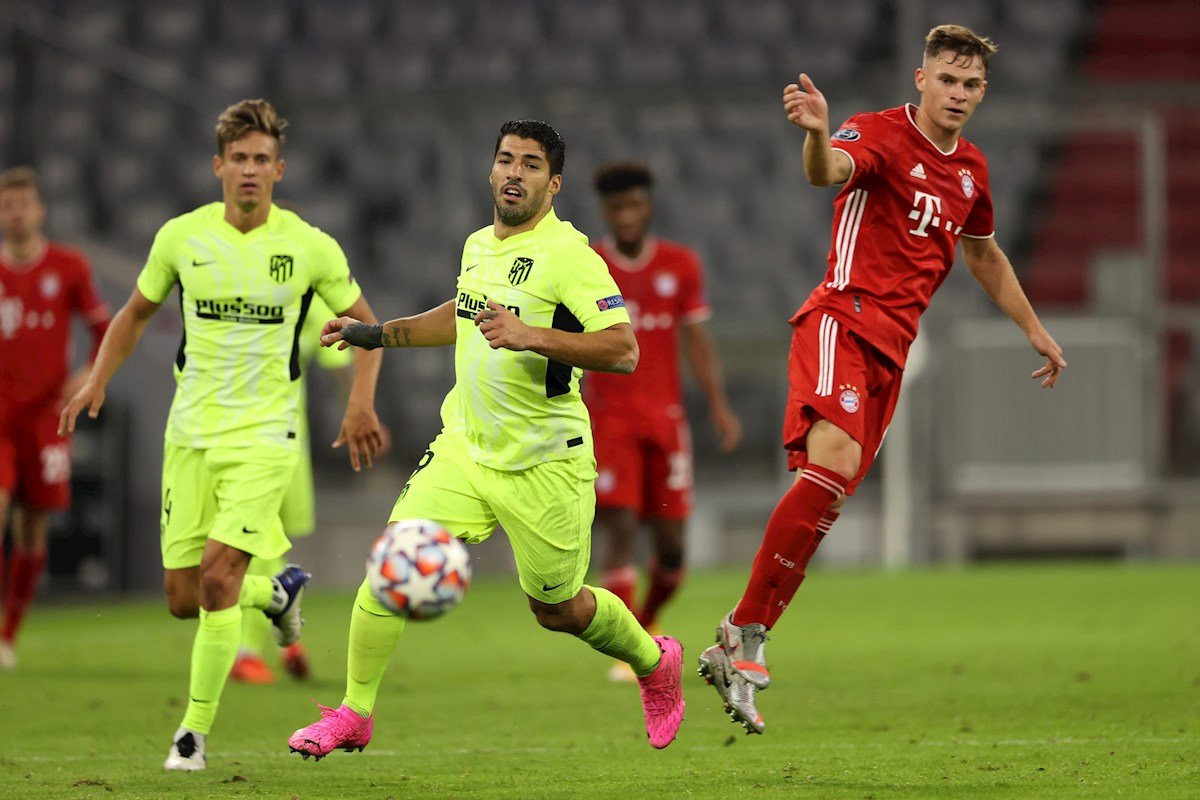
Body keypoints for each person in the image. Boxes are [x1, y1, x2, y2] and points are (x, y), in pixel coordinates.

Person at [698, 25, 1068, 735]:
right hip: (843, 318)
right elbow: (827, 170)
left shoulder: (972, 171)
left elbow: (984, 256)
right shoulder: (878, 132)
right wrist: (813, 135)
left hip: (893, 349)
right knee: (832, 465)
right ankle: (744, 633)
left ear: (981, 92)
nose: (957, 94)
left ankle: (742, 638)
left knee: (828, 495)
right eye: (946, 80)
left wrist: (1033, 327)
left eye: (970, 85)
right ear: (920, 78)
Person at [287, 119, 686, 759]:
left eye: (531, 165)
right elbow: (463, 313)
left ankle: (652, 661)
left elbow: (623, 349)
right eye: (505, 160)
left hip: (545, 463)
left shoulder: (571, 257)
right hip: (466, 447)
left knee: (557, 609)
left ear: (553, 184)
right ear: (490, 169)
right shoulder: (477, 245)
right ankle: (354, 712)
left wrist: (534, 336)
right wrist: (378, 334)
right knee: (393, 561)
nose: (513, 172)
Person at [59, 99, 384, 770]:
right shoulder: (182, 238)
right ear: (218, 166)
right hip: (191, 435)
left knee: (215, 580)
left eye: (262, 159)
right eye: (239, 158)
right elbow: (134, 313)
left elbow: (368, 329)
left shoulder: (309, 246)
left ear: (279, 170)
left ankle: (191, 736)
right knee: (183, 597)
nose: (249, 170)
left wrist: (360, 403)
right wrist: (96, 377)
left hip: (266, 436)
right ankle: (277, 592)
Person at [587, 162, 742, 682]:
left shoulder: (681, 263)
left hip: (665, 420)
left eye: (634, 204)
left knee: (674, 547)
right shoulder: (588, 264)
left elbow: (697, 341)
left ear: (648, 206)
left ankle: (645, 625)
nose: (627, 215)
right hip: (608, 419)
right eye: (617, 207)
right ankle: (632, 651)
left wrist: (718, 404)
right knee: (622, 527)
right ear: (606, 212)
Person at [0, 166, 111, 670]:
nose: (16, 213)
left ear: (40, 210)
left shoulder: (68, 266)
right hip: (0, 418)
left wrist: (88, 376)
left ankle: (9, 636)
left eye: (24, 204)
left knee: (31, 528)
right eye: (8, 205)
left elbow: (104, 327)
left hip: (47, 419)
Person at [229, 292, 355, 684]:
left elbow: (340, 355)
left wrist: (358, 410)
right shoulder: (225, 287)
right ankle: (271, 640)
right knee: (255, 541)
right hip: (231, 437)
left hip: (284, 442)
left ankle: (255, 647)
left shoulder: (306, 297)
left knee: (264, 542)